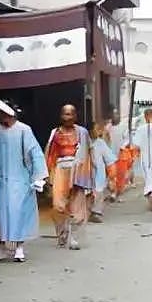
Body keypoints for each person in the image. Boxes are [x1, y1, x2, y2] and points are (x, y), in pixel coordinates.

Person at [0, 100, 47, 263]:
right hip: (2, 180)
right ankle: (1, 246)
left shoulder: (24, 130)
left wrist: (39, 177)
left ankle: (19, 248)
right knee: (0, 213)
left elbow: (35, 153)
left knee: (19, 213)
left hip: (20, 180)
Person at [45, 104, 94, 250]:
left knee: (77, 207)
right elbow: (49, 153)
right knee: (58, 206)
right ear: (61, 116)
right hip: (60, 170)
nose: (68, 117)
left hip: (78, 171)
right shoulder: (55, 133)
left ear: (75, 116)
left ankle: (74, 239)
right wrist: (47, 175)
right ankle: (62, 235)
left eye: (71, 114)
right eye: (65, 114)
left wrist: (91, 175)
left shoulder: (82, 132)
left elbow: (89, 151)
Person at [90, 123, 117, 223]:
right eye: (95, 129)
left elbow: (109, 159)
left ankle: (95, 213)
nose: (97, 132)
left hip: (98, 175)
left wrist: (111, 174)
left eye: (98, 130)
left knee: (98, 193)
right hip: (85, 174)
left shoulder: (100, 143)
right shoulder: (83, 143)